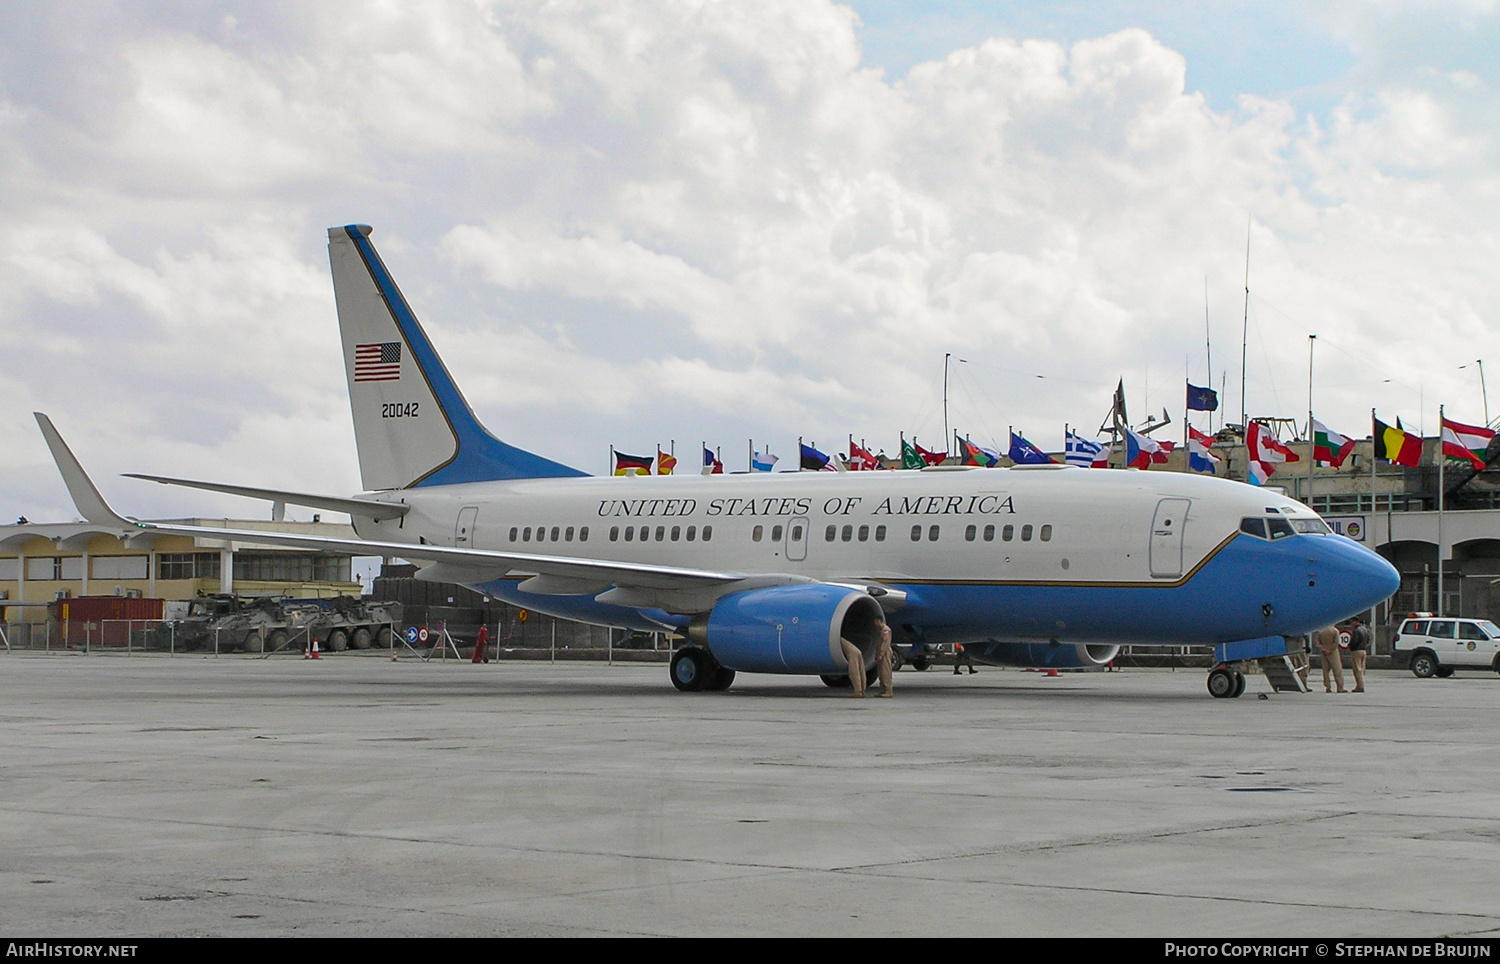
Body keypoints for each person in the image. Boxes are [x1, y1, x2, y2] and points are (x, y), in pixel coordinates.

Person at [1313, 625, 1346, 693]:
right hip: (1333, 652)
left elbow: (1317, 642)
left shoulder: (1320, 631)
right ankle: (1340, 687)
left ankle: (1327, 687)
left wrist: (1323, 649)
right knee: (1337, 669)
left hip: (1323, 652)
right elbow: (1336, 642)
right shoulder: (1335, 631)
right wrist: (1331, 650)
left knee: (1325, 670)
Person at [1347, 616, 1371, 693]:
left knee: (1357, 669)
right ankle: (1359, 685)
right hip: (1363, 650)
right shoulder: (1365, 629)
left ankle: (1360, 686)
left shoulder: (1356, 630)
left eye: (1351, 622)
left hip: (1356, 650)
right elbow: (1368, 640)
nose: (1351, 624)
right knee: (1361, 668)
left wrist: (1350, 646)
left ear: (1355, 621)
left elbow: (1355, 641)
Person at [875, 617, 894, 698]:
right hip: (881, 652)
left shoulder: (886, 630)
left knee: (886, 671)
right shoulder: (880, 630)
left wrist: (881, 654)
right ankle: (882, 690)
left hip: (885, 652)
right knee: (881, 672)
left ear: (878, 621)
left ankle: (888, 690)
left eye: (875, 622)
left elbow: (885, 643)